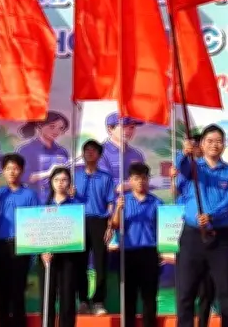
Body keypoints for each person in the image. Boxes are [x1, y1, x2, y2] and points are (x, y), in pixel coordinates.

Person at [175, 124, 228, 327]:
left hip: (220, 238)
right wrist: (184, 153)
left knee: (226, 293)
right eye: (210, 141)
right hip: (192, 237)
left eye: (219, 141)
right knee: (186, 293)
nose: (214, 145)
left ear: (224, 145)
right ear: (201, 145)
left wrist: (211, 215)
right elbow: (181, 167)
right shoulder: (193, 168)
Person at [0, 153, 40, 327]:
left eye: (15, 168)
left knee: (18, 289)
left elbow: (36, 220)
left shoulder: (29, 194)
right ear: (3, 171)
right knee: (1, 289)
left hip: (21, 244)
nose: (12, 172)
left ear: (21, 170)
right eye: (8, 169)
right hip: (0, 244)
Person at [113, 162, 162, 327]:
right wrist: (117, 209)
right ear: (130, 180)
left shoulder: (157, 202)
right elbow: (114, 225)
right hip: (128, 253)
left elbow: (163, 229)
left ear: (148, 180)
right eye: (136, 178)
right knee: (128, 296)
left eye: (143, 178)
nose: (140, 181)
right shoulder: (123, 201)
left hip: (150, 252)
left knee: (149, 296)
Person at [73, 140, 115, 315]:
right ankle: (83, 300)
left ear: (99, 155)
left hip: (99, 221)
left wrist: (110, 225)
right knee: (79, 263)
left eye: (93, 150)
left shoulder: (106, 177)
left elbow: (111, 203)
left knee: (100, 262)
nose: (89, 153)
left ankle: (98, 301)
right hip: (78, 221)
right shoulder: (74, 176)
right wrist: (70, 194)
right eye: (86, 150)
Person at [39, 167, 79, 327]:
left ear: (69, 183)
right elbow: (36, 230)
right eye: (56, 180)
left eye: (64, 180)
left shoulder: (75, 206)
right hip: (47, 257)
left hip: (69, 257)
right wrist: (42, 252)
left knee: (67, 297)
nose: (60, 183)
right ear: (51, 182)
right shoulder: (43, 204)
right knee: (47, 297)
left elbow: (78, 231)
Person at [15, 110, 70, 201]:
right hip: (33, 199)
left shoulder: (62, 152)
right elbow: (23, 176)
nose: (56, 131)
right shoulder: (25, 150)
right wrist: (48, 173)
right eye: (52, 126)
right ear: (40, 125)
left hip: (57, 201)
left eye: (61, 128)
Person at [98, 113, 145, 194]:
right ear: (110, 129)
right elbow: (105, 183)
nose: (127, 131)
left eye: (131, 127)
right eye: (123, 126)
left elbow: (143, 181)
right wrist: (135, 184)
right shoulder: (99, 153)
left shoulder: (137, 155)